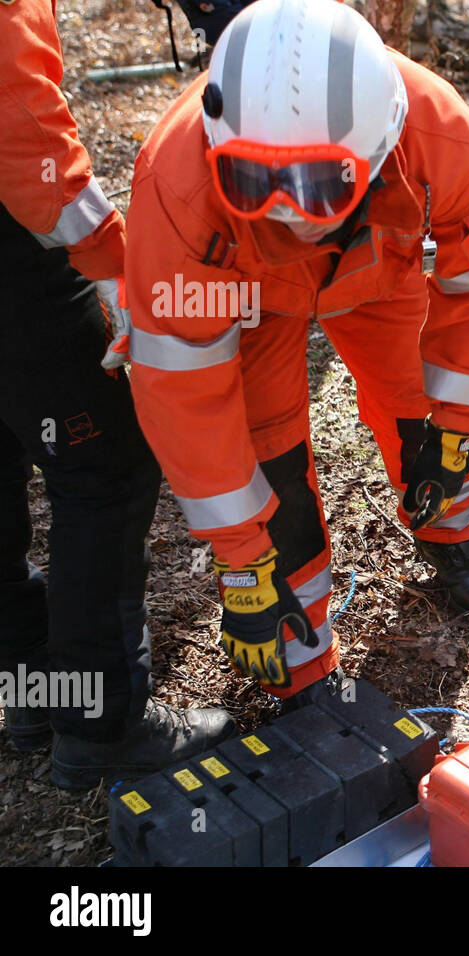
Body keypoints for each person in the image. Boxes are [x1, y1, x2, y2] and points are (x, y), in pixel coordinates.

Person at [124, 0, 469, 701]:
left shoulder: (440, 131)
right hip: (245, 299)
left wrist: (457, 425)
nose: (286, 211)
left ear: (379, 145)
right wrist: (244, 563)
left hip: (376, 268)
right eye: (255, 183)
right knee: (268, 455)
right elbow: (181, 390)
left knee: (422, 410)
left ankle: (451, 536)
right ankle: (302, 660)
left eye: (317, 186)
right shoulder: (177, 180)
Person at [0, 0, 235, 788]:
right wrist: (112, 259)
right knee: (104, 468)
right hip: (13, 258)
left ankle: (32, 686)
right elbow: (25, 138)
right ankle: (99, 722)